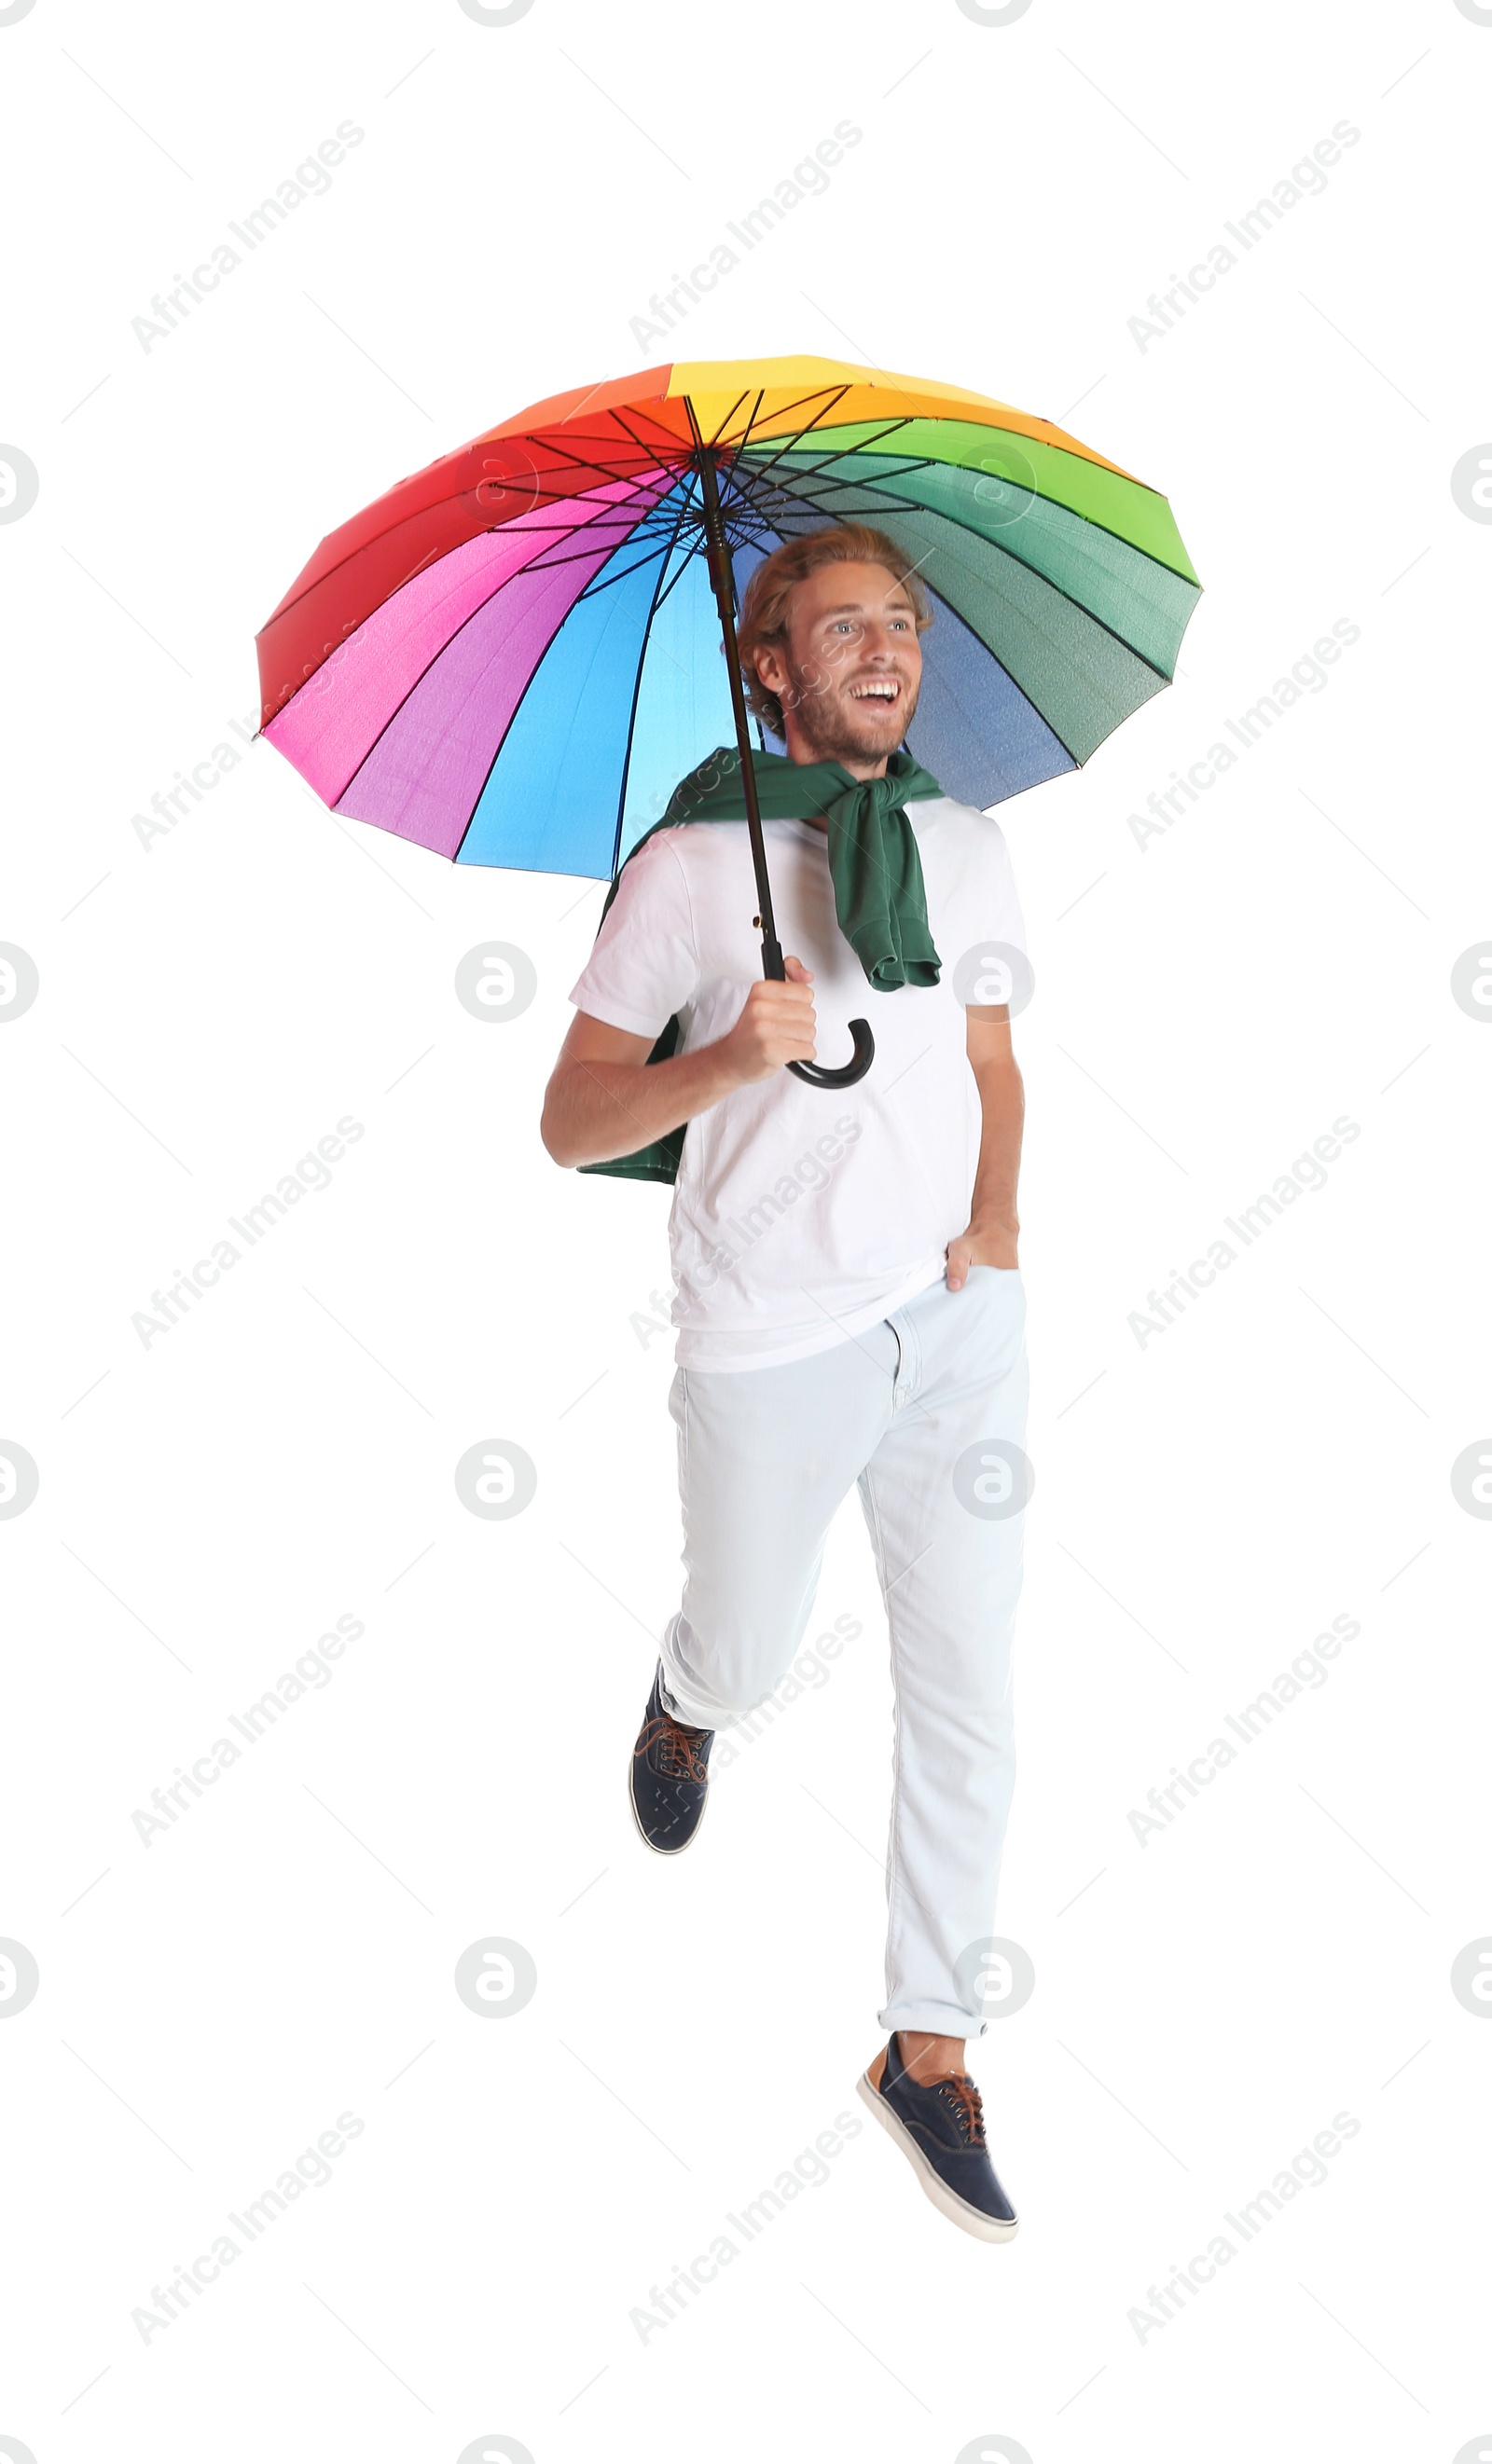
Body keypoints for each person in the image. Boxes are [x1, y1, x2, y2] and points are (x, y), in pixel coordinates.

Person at [540, 523, 1029, 2241]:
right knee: (752, 1640)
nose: (887, 651)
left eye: (901, 624)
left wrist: (999, 1220)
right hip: (769, 1334)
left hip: (956, 1324)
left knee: (971, 1685)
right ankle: (689, 1692)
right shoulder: (688, 871)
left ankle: (931, 2043)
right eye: (844, 630)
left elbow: (988, 1051)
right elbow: (569, 1120)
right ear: (773, 668)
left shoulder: (965, 851)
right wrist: (724, 1061)